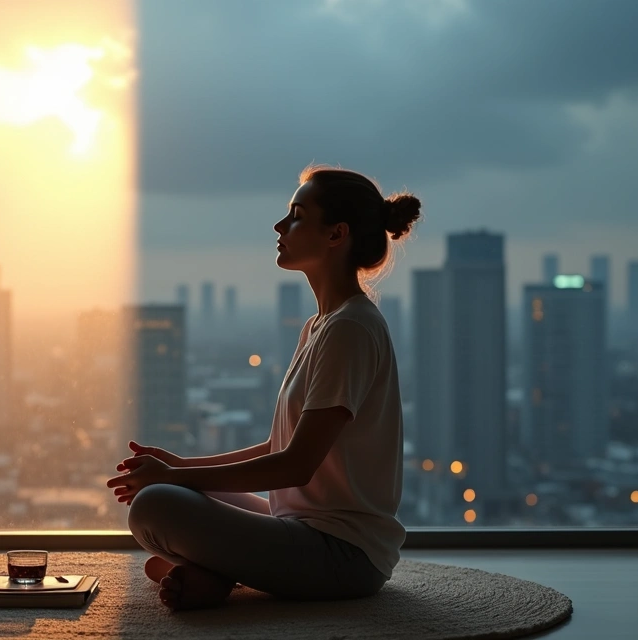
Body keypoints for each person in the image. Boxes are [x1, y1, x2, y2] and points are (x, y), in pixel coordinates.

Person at [106, 164, 421, 611]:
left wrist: (174, 477)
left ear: (336, 234)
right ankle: (219, 572)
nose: (279, 226)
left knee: (156, 504)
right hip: (298, 528)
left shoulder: (349, 328)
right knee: (180, 493)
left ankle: (220, 571)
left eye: (296, 215)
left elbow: (295, 465)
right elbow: (281, 444)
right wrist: (183, 466)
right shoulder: (321, 325)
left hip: (343, 556)